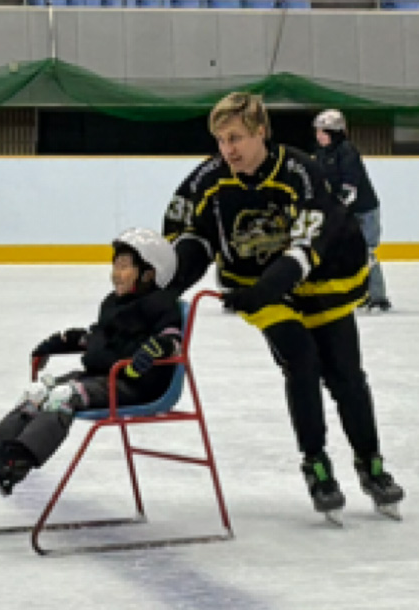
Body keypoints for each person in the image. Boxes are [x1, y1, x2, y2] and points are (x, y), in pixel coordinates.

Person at [162, 92, 404, 518]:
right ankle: (316, 463)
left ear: (261, 132)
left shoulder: (300, 171)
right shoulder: (208, 179)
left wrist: (264, 288)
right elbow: (189, 234)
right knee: (301, 362)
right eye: (221, 140)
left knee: (346, 376)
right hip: (261, 290)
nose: (228, 149)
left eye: (236, 137)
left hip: (321, 282)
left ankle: (371, 462)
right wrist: (169, 285)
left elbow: (308, 246)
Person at [0, 228, 182, 500]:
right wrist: (58, 342)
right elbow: (98, 339)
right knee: (37, 395)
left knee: (64, 397)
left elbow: (172, 338)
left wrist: (153, 351)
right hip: (102, 377)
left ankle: (16, 462)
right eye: (115, 265)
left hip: (135, 385)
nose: (116, 273)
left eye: (124, 266)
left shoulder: (161, 304)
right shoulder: (113, 303)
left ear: (149, 273)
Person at [313, 109, 391, 312]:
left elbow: (350, 188)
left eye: (322, 131)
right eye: (318, 131)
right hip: (346, 212)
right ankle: (359, 294)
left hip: (364, 211)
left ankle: (378, 297)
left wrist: (335, 209)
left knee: (365, 253)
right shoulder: (322, 154)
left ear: (334, 132)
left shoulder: (347, 151)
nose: (318, 135)